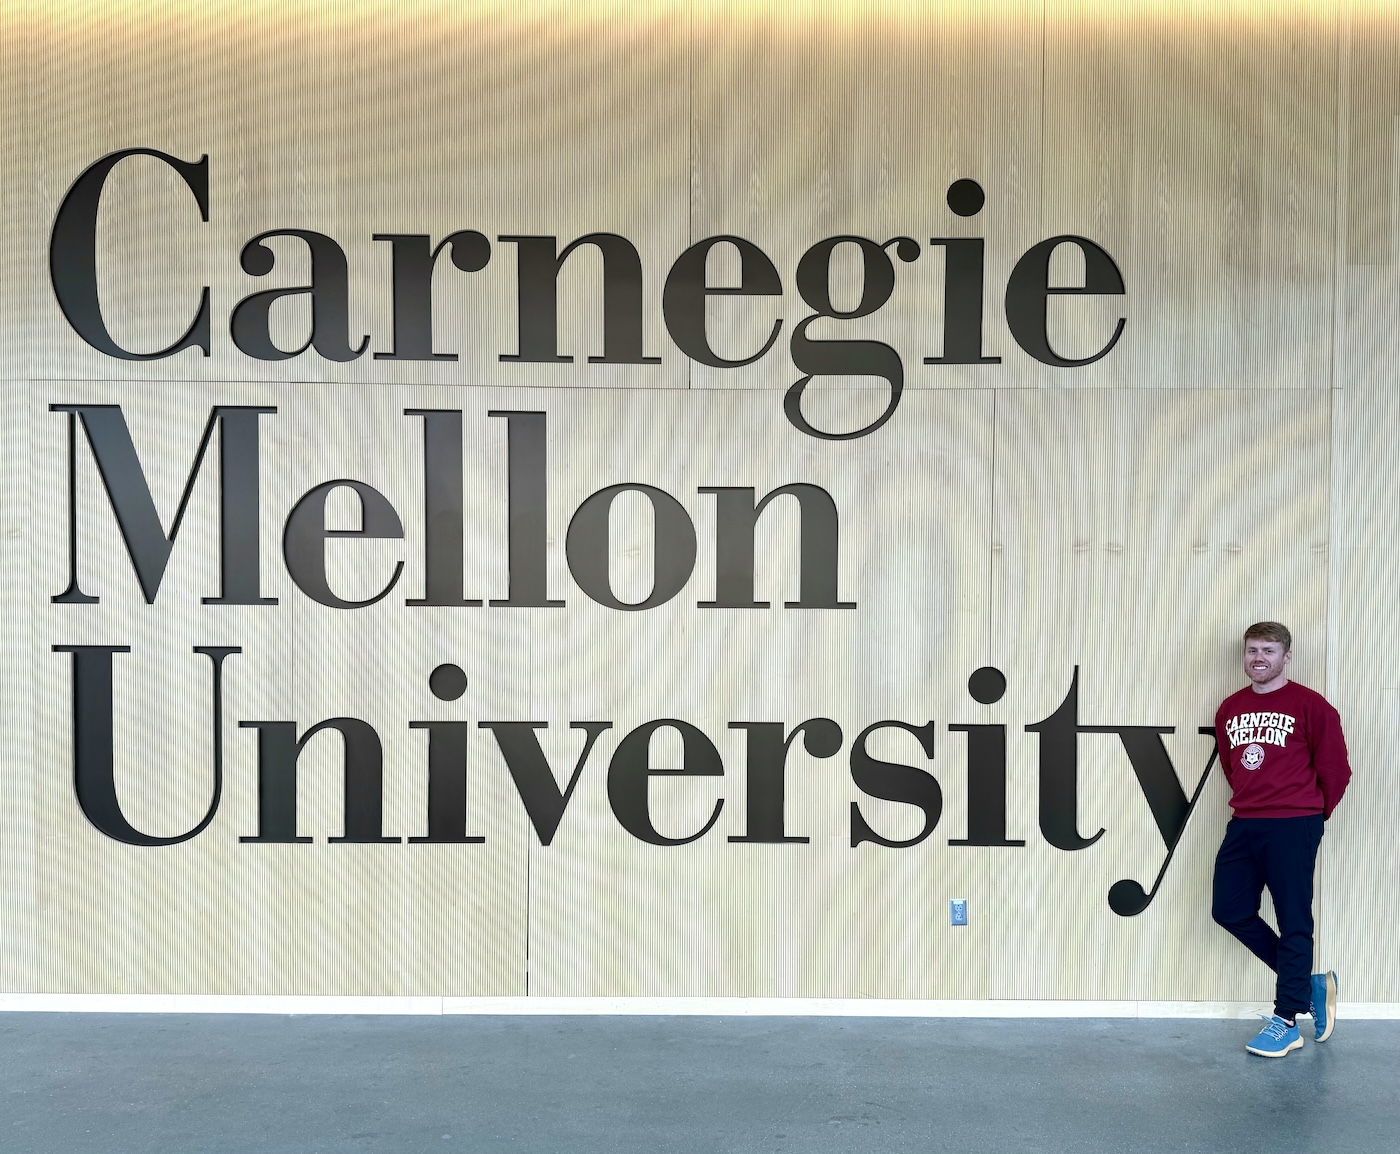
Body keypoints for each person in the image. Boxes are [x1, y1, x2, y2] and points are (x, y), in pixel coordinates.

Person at [1211, 622, 1351, 1057]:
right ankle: (1307, 984)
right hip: (1246, 822)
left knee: (1294, 918)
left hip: (1294, 823)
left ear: (1285, 657)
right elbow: (1233, 768)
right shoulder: (1230, 708)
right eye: (1253, 650)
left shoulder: (1312, 706)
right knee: (1229, 910)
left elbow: (1336, 771)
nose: (1259, 657)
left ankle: (1287, 1019)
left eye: (1268, 650)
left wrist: (1312, 816)